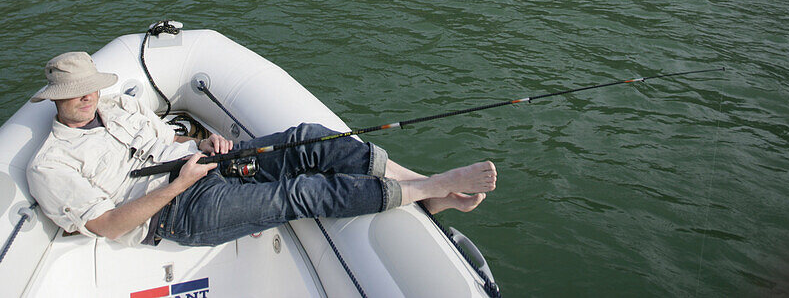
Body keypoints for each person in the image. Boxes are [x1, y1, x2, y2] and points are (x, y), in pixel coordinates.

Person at [26, 51, 497, 247]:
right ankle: (433, 188)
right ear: (55, 99)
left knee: (309, 138)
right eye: (76, 92)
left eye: (90, 87)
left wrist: (203, 142)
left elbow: (171, 139)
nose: (87, 97)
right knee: (301, 193)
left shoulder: (116, 105)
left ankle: (422, 185)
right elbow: (108, 225)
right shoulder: (51, 164)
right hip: (172, 212)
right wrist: (180, 185)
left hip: (202, 164)